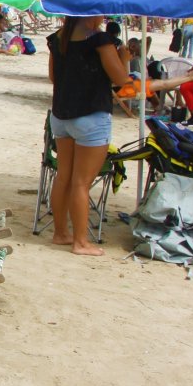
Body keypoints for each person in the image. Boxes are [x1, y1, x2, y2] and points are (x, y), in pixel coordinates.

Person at [46, 15, 132, 256]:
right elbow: (121, 81)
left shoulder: (57, 38)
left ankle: (61, 233)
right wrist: (124, 59)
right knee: (81, 183)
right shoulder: (100, 40)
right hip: (91, 115)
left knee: (64, 176)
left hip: (61, 114)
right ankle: (81, 242)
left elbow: (54, 77)